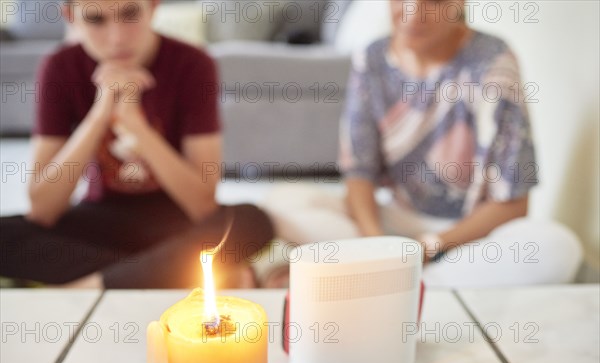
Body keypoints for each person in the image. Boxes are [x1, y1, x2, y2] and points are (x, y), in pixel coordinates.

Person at [263, 0, 582, 287]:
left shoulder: (495, 63)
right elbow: (359, 174)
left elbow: (514, 205)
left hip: (467, 237)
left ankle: (409, 283)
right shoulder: (371, 59)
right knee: (282, 201)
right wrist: (377, 247)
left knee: (557, 247)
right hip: (395, 222)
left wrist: (428, 247)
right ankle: (394, 276)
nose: (414, 12)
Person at [0, 0, 273, 289]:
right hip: (101, 219)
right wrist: (99, 114)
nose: (117, 37)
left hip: (175, 223)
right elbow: (42, 210)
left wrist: (135, 125)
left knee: (250, 221)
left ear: (153, 7)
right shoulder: (60, 66)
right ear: (71, 18)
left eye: (130, 14)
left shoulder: (193, 63)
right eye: (95, 20)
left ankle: (94, 284)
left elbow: (203, 205)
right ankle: (154, 274)